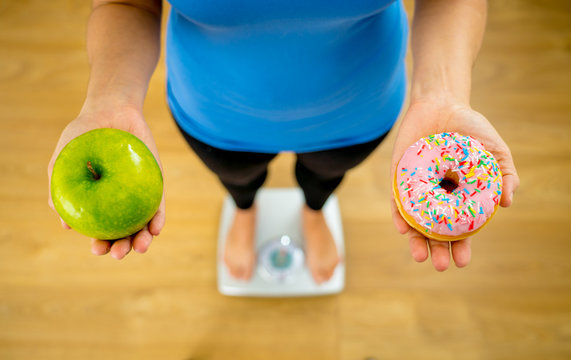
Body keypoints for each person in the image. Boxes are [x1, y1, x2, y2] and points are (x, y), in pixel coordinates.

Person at [48, 0, 519, 283]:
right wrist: (111, 100)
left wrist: (443, 92)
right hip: (215, 112)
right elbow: (128, 2)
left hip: (358, 108)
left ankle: (314, 212)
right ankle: (244, 210)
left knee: (326, 175)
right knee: (237, 179)